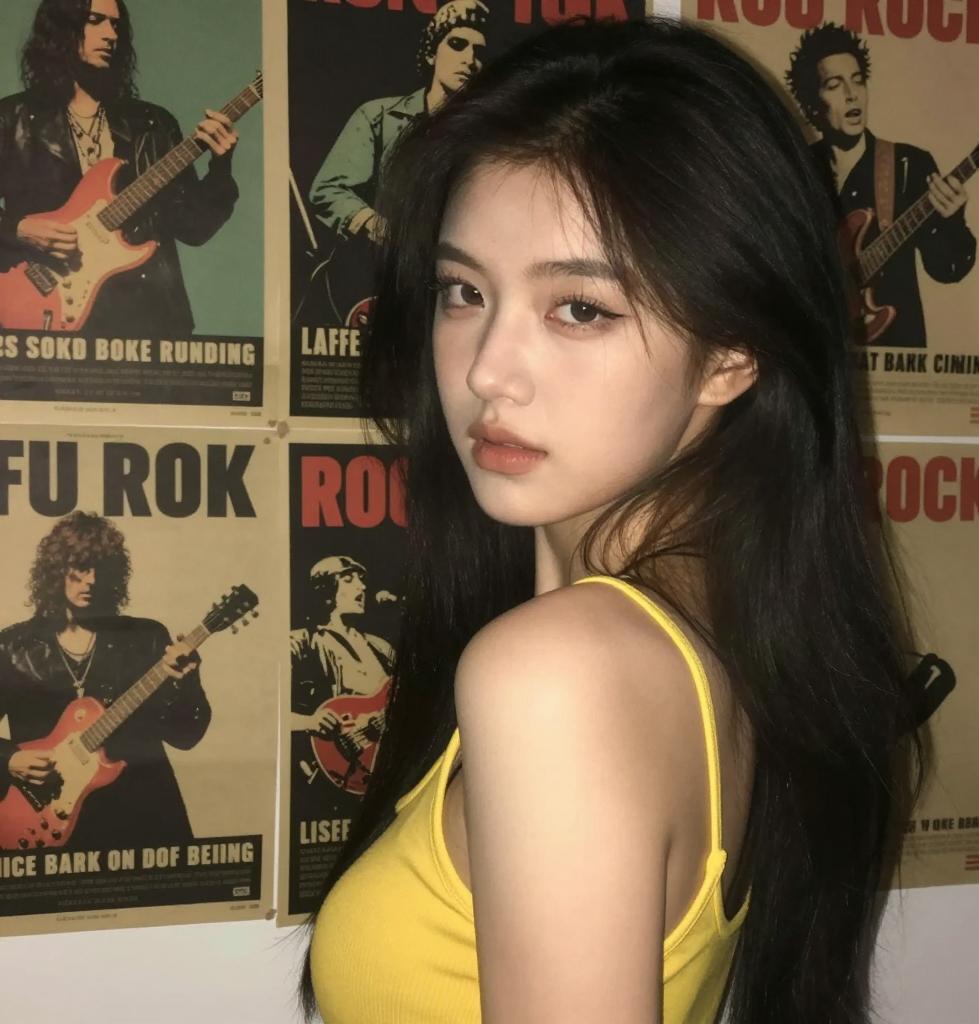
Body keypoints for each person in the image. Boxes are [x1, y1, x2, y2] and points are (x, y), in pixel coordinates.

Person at [301, 17, 922, 1024]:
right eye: (464, 291)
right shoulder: (713, 631)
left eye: (579, 309)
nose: (486, 371)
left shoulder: (560, 675)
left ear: (730, 354)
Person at [0, 0, 241, 336]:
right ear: (60, 29)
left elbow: (194, 229)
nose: (111, 35)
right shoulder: (11, 119)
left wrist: (220, 168)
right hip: (45, 311)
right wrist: (19, 229)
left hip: (145, 321)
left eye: (116, 25)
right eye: (95, 20)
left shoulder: (152, 124)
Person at [0, 511, 210, 850]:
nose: (92, 580)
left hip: (139, 815)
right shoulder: (12, 647)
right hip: (44, 820)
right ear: (56, 570)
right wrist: (8, 759)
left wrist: (186, 681)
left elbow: (186, 737)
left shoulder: (146, 638)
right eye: (82, 567)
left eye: (102, 569)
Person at [785, 22, 976, 348]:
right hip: (823, 350)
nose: (851, 94)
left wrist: (952, 219)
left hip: (897, 350)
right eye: (834, 85)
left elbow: (948, 270)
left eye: (858, 80)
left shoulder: (909, 164)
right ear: (812, 102)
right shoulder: (796, 169)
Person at [309, 0, 489, 246]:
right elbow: (327, 191)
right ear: (431, 54)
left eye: (478, 52)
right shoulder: (377, 116)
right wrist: (381, 230)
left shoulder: (486, 135)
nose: (469, 59)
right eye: (457, 45)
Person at [290, 556, 394, 802]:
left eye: (362, 580)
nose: (362, 586)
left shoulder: (381, 648)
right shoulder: (300, 642)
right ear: (325, 591)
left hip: (377, 776)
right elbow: (263, 711)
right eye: (348, 579)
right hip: (322, 779)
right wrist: (308, 721)